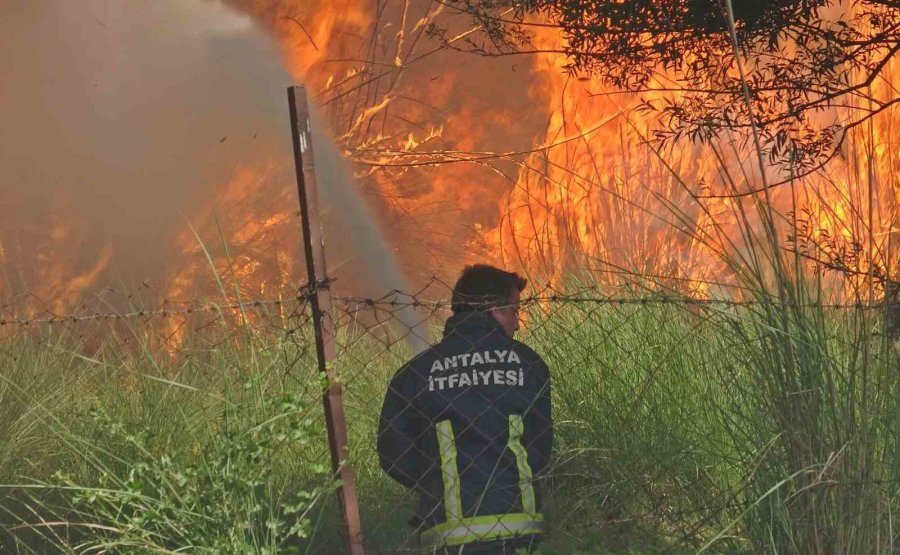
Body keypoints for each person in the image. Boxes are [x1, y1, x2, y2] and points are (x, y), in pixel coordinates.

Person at [377, 264, 553, 554]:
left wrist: (438, 483)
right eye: (514, 311)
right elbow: (540, 446)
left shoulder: (415, 374)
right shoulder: (528, 364)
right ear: (496, 310)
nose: (517, 323)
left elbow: (394, 455)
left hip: (447, 534)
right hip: (517, 529)